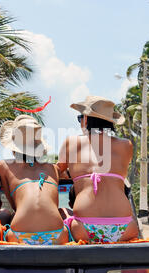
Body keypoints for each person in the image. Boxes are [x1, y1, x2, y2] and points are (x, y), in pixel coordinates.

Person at [58, 96, 139, 243]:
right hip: (126, 228)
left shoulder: (71, 143)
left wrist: (77, 175)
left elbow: (57, 173)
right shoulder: (126, 145)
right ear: (110, 122)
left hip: (84, 229)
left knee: (62, 219)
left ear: (86, 119)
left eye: (80, 118)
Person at [0, 115, 71, 245]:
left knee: (5, 216)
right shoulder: (52, 169)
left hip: (19, 236)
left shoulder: (4, 166)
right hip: (57, 235)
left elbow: (15, 205)